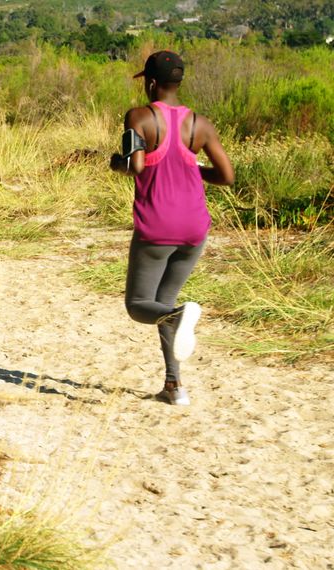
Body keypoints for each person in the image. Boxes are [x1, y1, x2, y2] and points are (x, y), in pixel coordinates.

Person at [110, 50, 234, 406]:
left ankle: (180, 315)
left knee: (139, 306)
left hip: (156, 228)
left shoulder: (138, 117)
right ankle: (174, 386)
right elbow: (226, 176)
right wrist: (194, 170)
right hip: (195, 229)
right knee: (162, 305)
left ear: (149, 82)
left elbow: (134, 166)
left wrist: (115, 164)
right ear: (178, 83)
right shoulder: (200, 123)